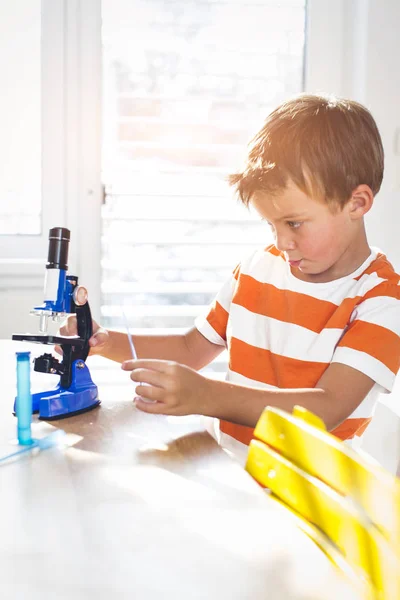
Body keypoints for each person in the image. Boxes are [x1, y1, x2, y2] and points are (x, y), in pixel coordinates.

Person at [61, 94, 400, 463]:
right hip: (234, 473)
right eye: (270, 225)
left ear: (357, 203)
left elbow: (326, 408)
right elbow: (192, 348)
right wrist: (103, 342)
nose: (282, 242)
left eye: (293, 223)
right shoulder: (258, 268)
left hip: (312, 496)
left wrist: (207, 396)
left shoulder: (381, 299)